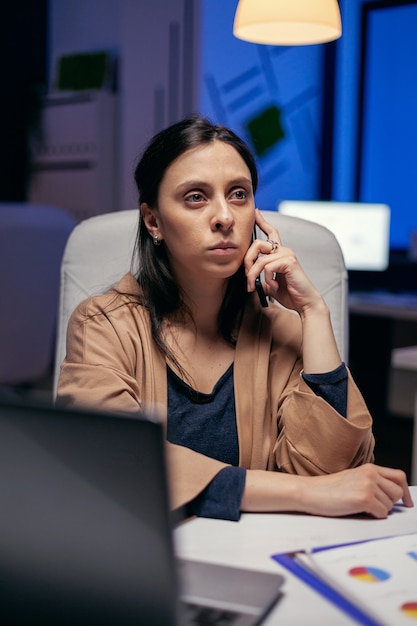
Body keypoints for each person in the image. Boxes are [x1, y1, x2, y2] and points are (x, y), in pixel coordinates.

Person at [57, 116, 413, 521]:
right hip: (145, 559)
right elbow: (113, 461)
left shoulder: (282, 330)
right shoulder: (103, 324)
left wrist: (314, 313)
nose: (224, 217)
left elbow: (332, 474)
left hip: (261, 556)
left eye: (239, 194)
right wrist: (304, 493)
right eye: (196, 197)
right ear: (153, 221)